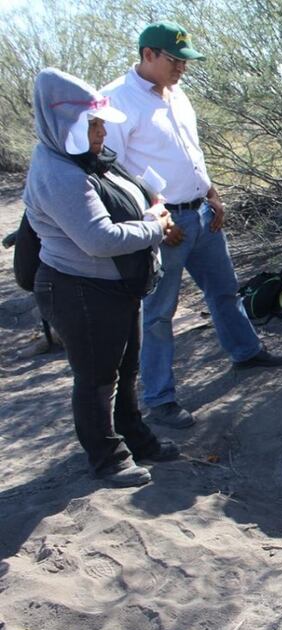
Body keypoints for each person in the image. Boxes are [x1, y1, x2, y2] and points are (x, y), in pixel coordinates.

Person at [101, 21, 282, 429]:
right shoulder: (117, 101)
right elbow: (110, 172)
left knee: (224, 290)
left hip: (201, 214)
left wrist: (212, 194)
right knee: (157, 313)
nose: (182, 69)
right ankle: (159, 397)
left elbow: (192, 152)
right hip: (163, 222)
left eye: (185, 62)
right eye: (175, 60)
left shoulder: (177, 94)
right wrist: (153, 217)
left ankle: (245, 351)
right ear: (148, 54)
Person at [23, 68, 180, 487]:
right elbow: (98, 238)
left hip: (115, 289)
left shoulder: (80, 158)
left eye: (99, 124)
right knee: (96, 380)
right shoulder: (57, 172)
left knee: (124, 372)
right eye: (91, 125)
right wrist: (155, 227)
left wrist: (151, 203)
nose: (99, 134)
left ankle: (136, 438)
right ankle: (106, 458)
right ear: (66, 124)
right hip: (81, 289)